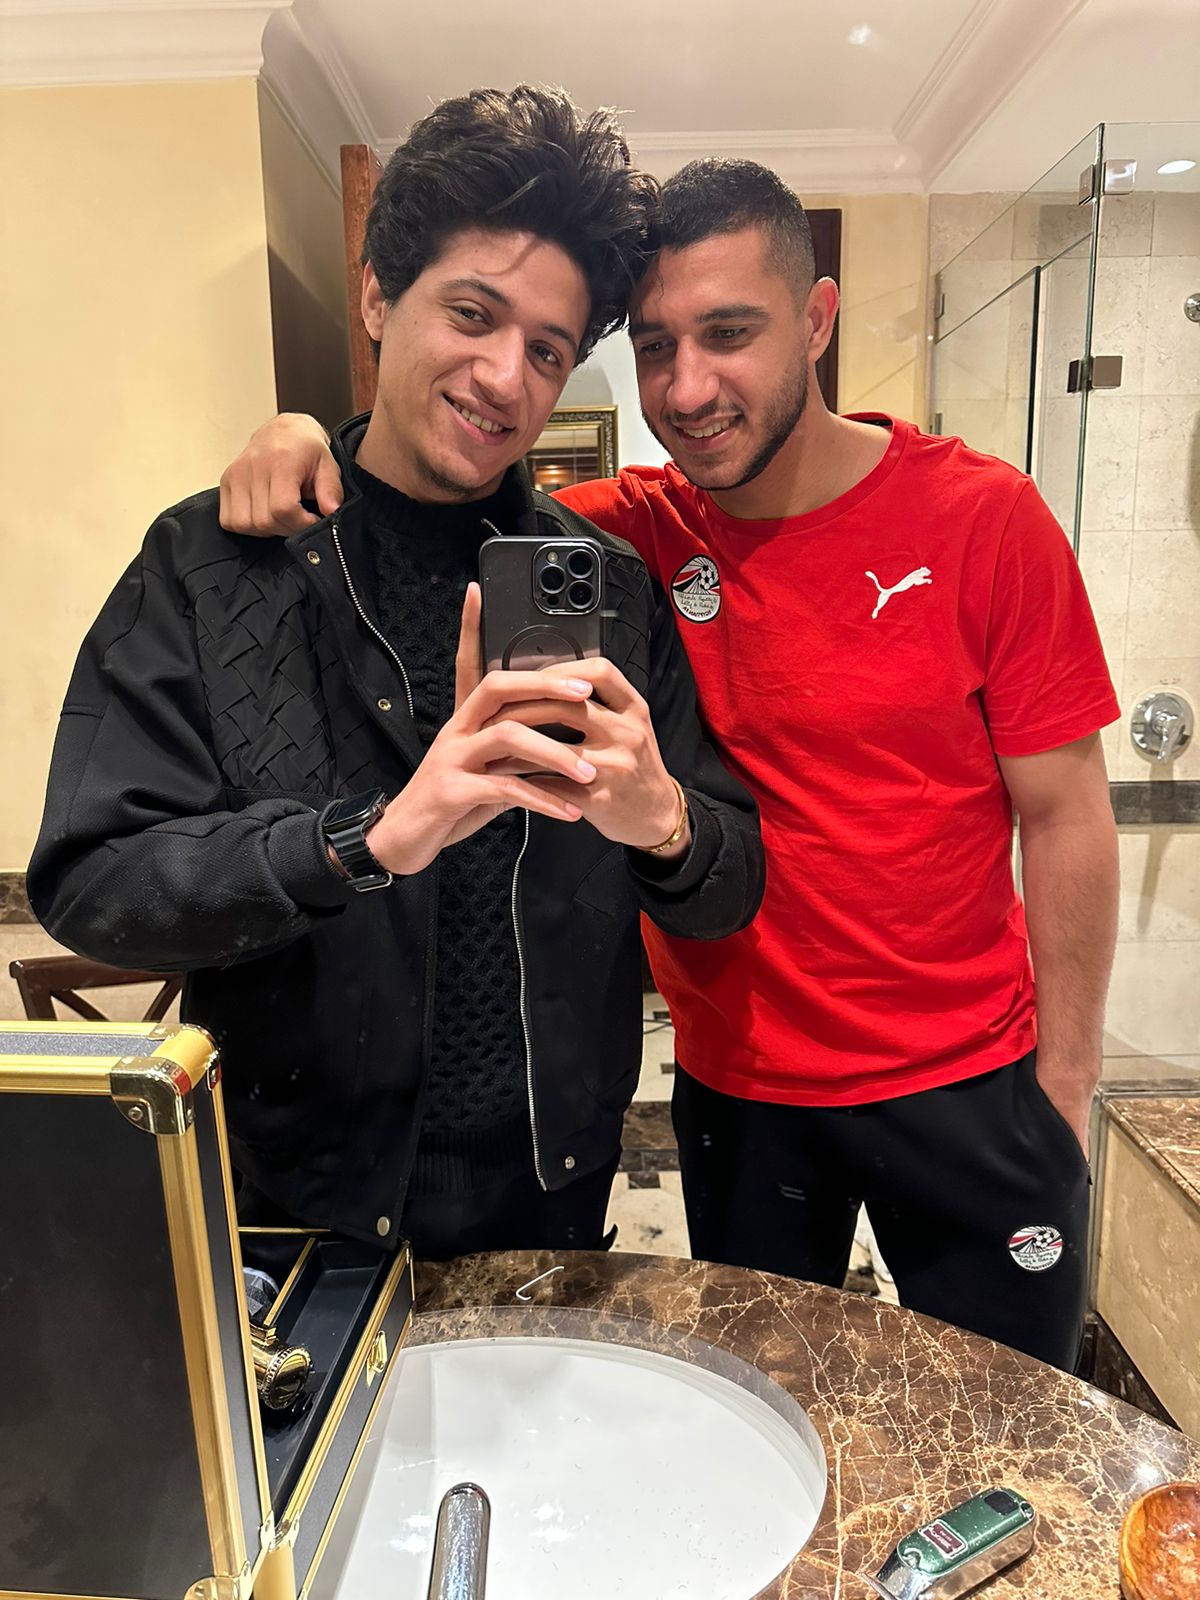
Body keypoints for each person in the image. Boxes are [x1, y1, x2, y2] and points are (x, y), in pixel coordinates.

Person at [211, 156, 1120, 1370]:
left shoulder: (984, 518)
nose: (687, 389)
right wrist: (299, 438)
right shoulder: (625, 535)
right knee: (765, 1419)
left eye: (729, 334)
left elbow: (1065, 814)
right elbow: (431, 488)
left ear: (817, 318)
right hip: (744, 1090)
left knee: (1009, 1416)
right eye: (654, 347)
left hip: (971, 1078)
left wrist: (1069, 1082)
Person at [27, 91, 764, 1261]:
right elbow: (94, 884)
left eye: (548, 351)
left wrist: (663, 822)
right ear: (377, 294)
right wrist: (363, 841)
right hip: (293, 1214)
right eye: (471, 313)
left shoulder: (611, 590)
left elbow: (732, 881)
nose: (504, 376)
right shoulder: (215, 564)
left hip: (553, 1200)